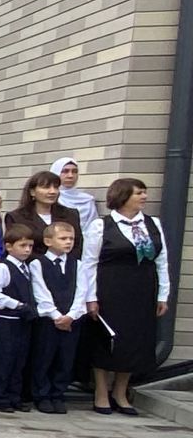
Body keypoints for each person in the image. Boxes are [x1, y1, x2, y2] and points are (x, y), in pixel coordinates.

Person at [83, 176, 171, 415]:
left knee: (136, 340)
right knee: (107, 340)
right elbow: (90, 263)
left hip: (142, 288)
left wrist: (163, 294)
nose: (144, 197)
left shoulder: (152, 223)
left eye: (144, 192)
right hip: (111, 288)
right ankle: (101, 392)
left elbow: (161, 260)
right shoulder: (103, 225)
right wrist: (90, 297)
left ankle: (120, 392)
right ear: (123, 196)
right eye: (138, 193)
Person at [31, 221, 86, 415]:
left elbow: (82, 291)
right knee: (44, 356)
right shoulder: (38, 263)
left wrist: (71, 315)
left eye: (71, 239)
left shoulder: (77, 264)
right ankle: (41, 395)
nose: (68, 242)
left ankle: (58, 393)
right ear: (48, 241)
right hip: (49, 319)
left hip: (71, 320)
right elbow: (40, 291)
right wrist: (55, 315)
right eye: (63, 238)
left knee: (65, 358)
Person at [0, 223, 38, 413]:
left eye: (30, 246)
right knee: (4, 359)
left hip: (24, 322)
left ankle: (14, 395)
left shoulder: (27, 268)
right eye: (22, 246)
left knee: (19, 360)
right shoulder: (3, 268)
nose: (27, 250)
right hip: (7, 321)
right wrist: (17, 305)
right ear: (9, 246)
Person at [5, 171, 82, 245]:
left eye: (56, 187)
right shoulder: (16, 217)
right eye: (46, 187)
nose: (52, 191)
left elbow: (77, 245)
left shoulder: (71, 215)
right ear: (32, 192)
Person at [53, 156, 99, 231]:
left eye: (74, 171)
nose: (70, 176)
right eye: (65, 171)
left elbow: (93, 227)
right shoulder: (51, 198)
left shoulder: (87, 200)